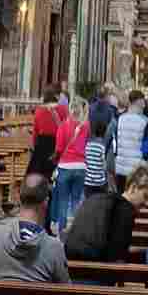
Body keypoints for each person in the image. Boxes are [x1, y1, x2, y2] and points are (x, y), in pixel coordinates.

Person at [66, 165, 148, 272]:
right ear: (133, 187)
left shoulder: (99, 198)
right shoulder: (126, 210)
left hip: (72, 266)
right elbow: (118, 256)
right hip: (95, 274)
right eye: (146, 196)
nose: (147, 203)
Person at [51, 99, 90, 232]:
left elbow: (59, 148)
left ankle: (61, 231)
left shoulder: (63, 126)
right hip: (80, 166)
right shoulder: (86, 126)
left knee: (63, 201)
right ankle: (76, 231)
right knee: (76, 200)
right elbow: (86, 145)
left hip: (65, 166)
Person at [30, 89, 66, 178]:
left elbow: (35, 131)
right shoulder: (63, 109)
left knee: (41, 174)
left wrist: (34, 145)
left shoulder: (39, 111)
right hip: (57, 143)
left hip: (42, 144)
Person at [115, 89, 148, 179]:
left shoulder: (120, 119)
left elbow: (116, 143)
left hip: (120, 166)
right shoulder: (144, 121)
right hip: (136, 168)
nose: (145, 104)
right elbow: (146, 146)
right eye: (143, 101)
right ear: (139, 101)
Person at [84, 114, 110, 195]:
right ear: (104, 132)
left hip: (87, 181)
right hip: (99, 182)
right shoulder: (102, 146)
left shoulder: (88, 145)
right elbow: (104, 165)